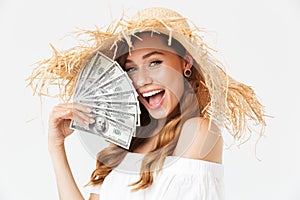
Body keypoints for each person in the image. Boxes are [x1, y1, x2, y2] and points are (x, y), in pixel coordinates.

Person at [28, 7, 267, 200]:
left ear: (186, 62)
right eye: (131, 68)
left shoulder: (198, 132)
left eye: (154, 62)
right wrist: (56, 147)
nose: (142, 80)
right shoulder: (122, 148)